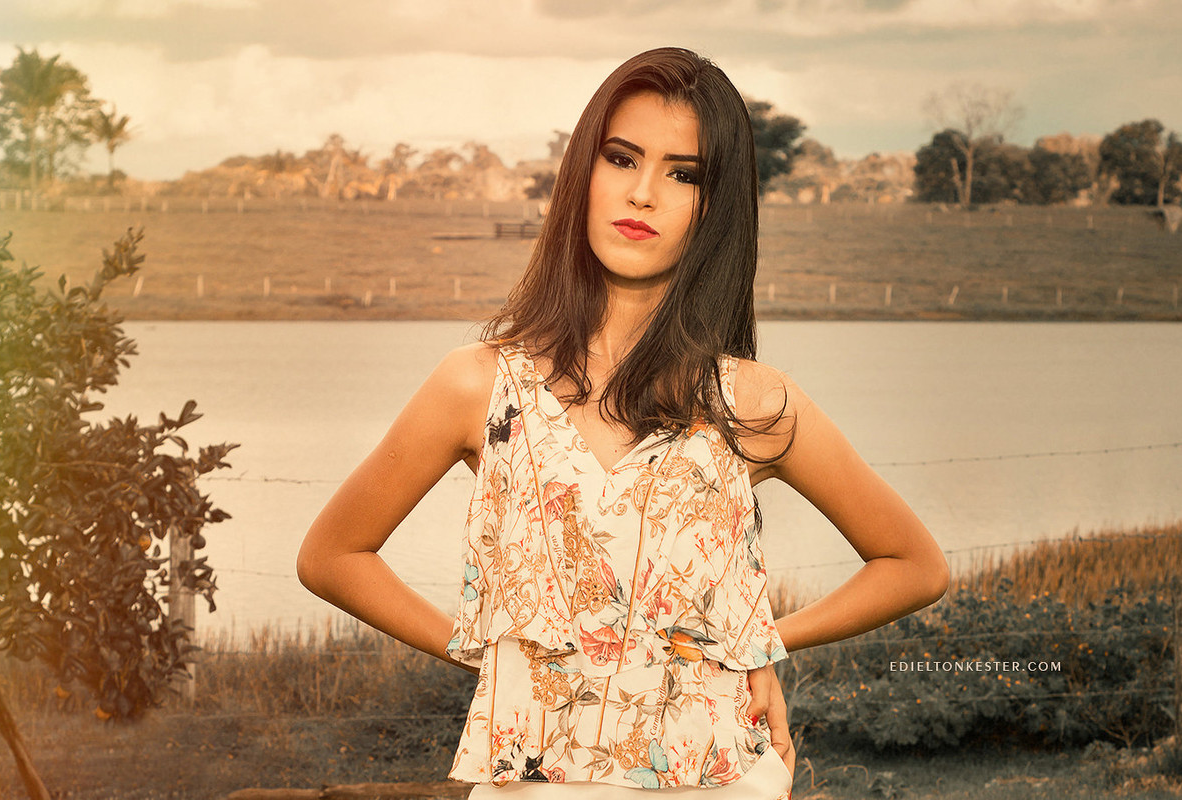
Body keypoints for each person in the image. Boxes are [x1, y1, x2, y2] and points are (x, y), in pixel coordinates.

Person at [297, 47, 949, 799]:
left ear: (715, 207)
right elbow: (332, 555)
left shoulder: (751, 402)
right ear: (584, 171)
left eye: (683, 173)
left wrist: (752, 645)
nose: (643, 193)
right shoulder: (478, 384)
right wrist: (483, 649)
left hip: (720, 781)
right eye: (621, 157)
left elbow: (914, 565)